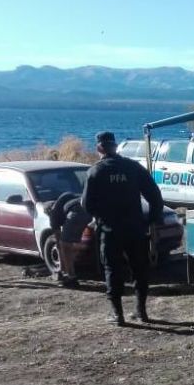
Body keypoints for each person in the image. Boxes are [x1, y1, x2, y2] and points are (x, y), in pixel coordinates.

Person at [82, 131, 163, 326]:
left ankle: (117, 314)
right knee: (139, 269)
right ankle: (141, 311)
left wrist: (99, 217)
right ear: (115, 146)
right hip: (135, 228)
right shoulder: (132, 167)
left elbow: (86, 204)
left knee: (112, 269)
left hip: (110, 230)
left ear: (99, 148)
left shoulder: (95, 171)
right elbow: (155, 195)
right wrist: (151, 219)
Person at [46, 191, 91, 288]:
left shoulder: (53, 214)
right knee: (72, 243)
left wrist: (61, 269)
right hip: (89, 211)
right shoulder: (67, 196)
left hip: (75, 212)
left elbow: (59, 243)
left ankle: (71, 278)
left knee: (65, 245)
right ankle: (72, 269)